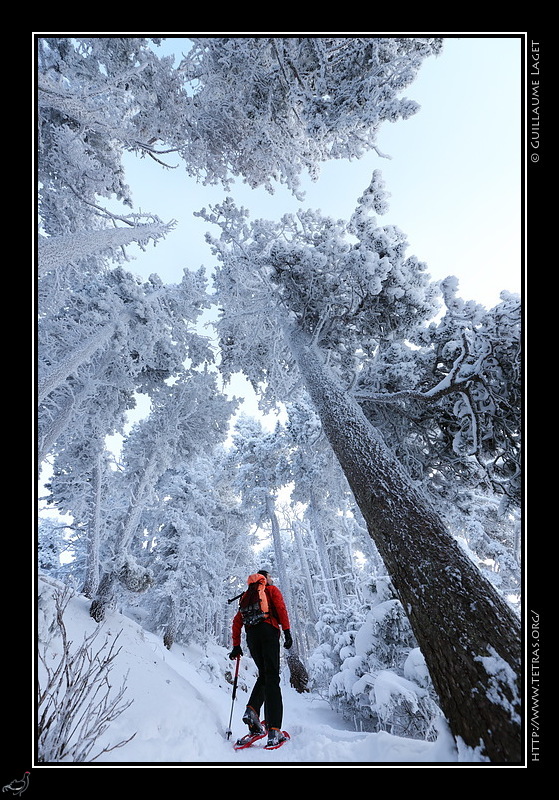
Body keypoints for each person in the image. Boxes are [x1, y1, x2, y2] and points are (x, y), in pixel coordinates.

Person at [229, 570, 293, 748]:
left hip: (252, 637)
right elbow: (280, 608)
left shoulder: (246, 596)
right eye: (270, 577)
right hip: (268, 632)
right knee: (272, 678)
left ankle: (252, 712)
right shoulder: (270, 590)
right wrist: (287, 632)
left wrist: (236, 645)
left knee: (264, 676)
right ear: (265, 579)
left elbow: (236, 622)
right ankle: (274, 730)